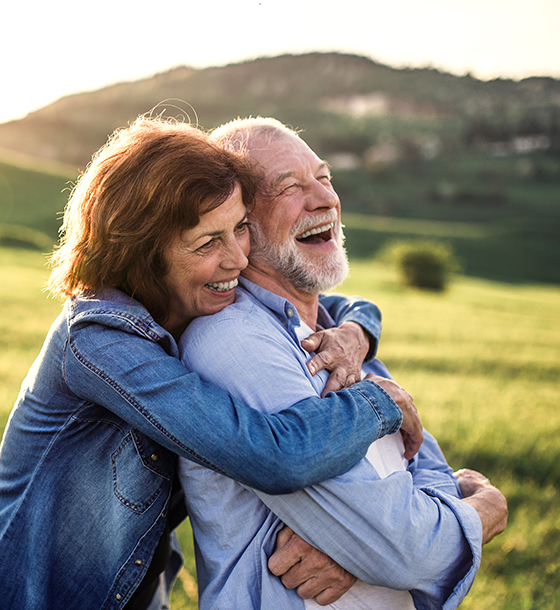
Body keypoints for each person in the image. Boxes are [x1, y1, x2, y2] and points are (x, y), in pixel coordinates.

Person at [0, 117, 425, 610]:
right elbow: (270, 456)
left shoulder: (195, 295)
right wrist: (379, 402)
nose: (238, 260)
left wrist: (355, 333)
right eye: (207, 243)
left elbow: (342, 304)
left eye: (240, 228)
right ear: (142, 253)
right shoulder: (98, 341)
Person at [178, 117, 508, 609]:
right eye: (290, 187)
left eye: (325, 178)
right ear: (239, 224)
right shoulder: (234, 343)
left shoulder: (340, 337)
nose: (325, 199)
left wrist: (362, 543)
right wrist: (487, 509)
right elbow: (408, 549)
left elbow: (424, 468)